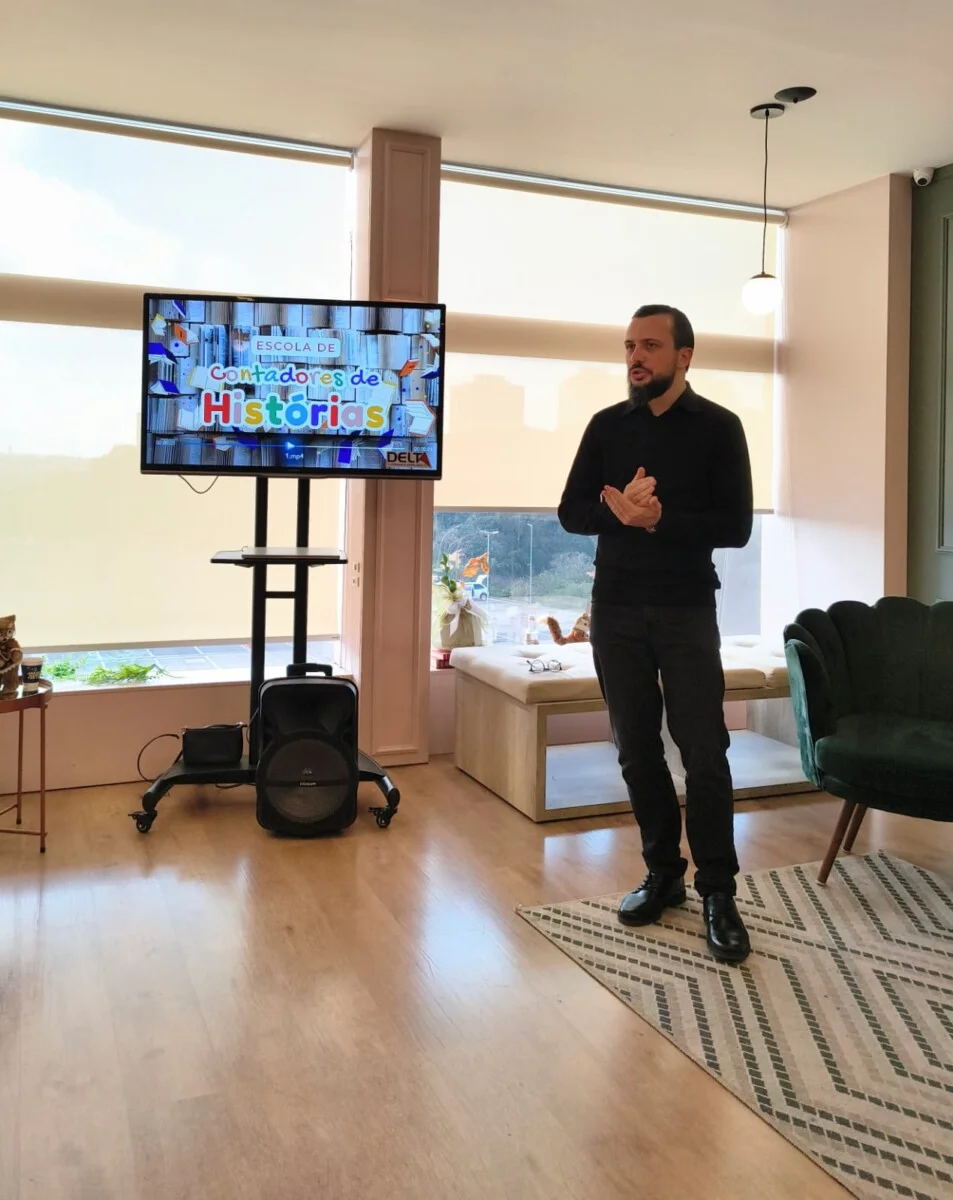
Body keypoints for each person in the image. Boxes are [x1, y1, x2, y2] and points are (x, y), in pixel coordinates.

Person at [557, 304, 753, 964]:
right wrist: (616, 513)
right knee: (636, 750)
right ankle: (663, 873)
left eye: (648, 345)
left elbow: (735, 527)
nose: (634, 357)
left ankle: (718, 891)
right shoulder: (606, 426)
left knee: (704, 751)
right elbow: (570, 511)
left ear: (683, 356)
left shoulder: (720, 427)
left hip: (685, 609)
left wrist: (659, 519)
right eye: (628, 346)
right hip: (613, 608)